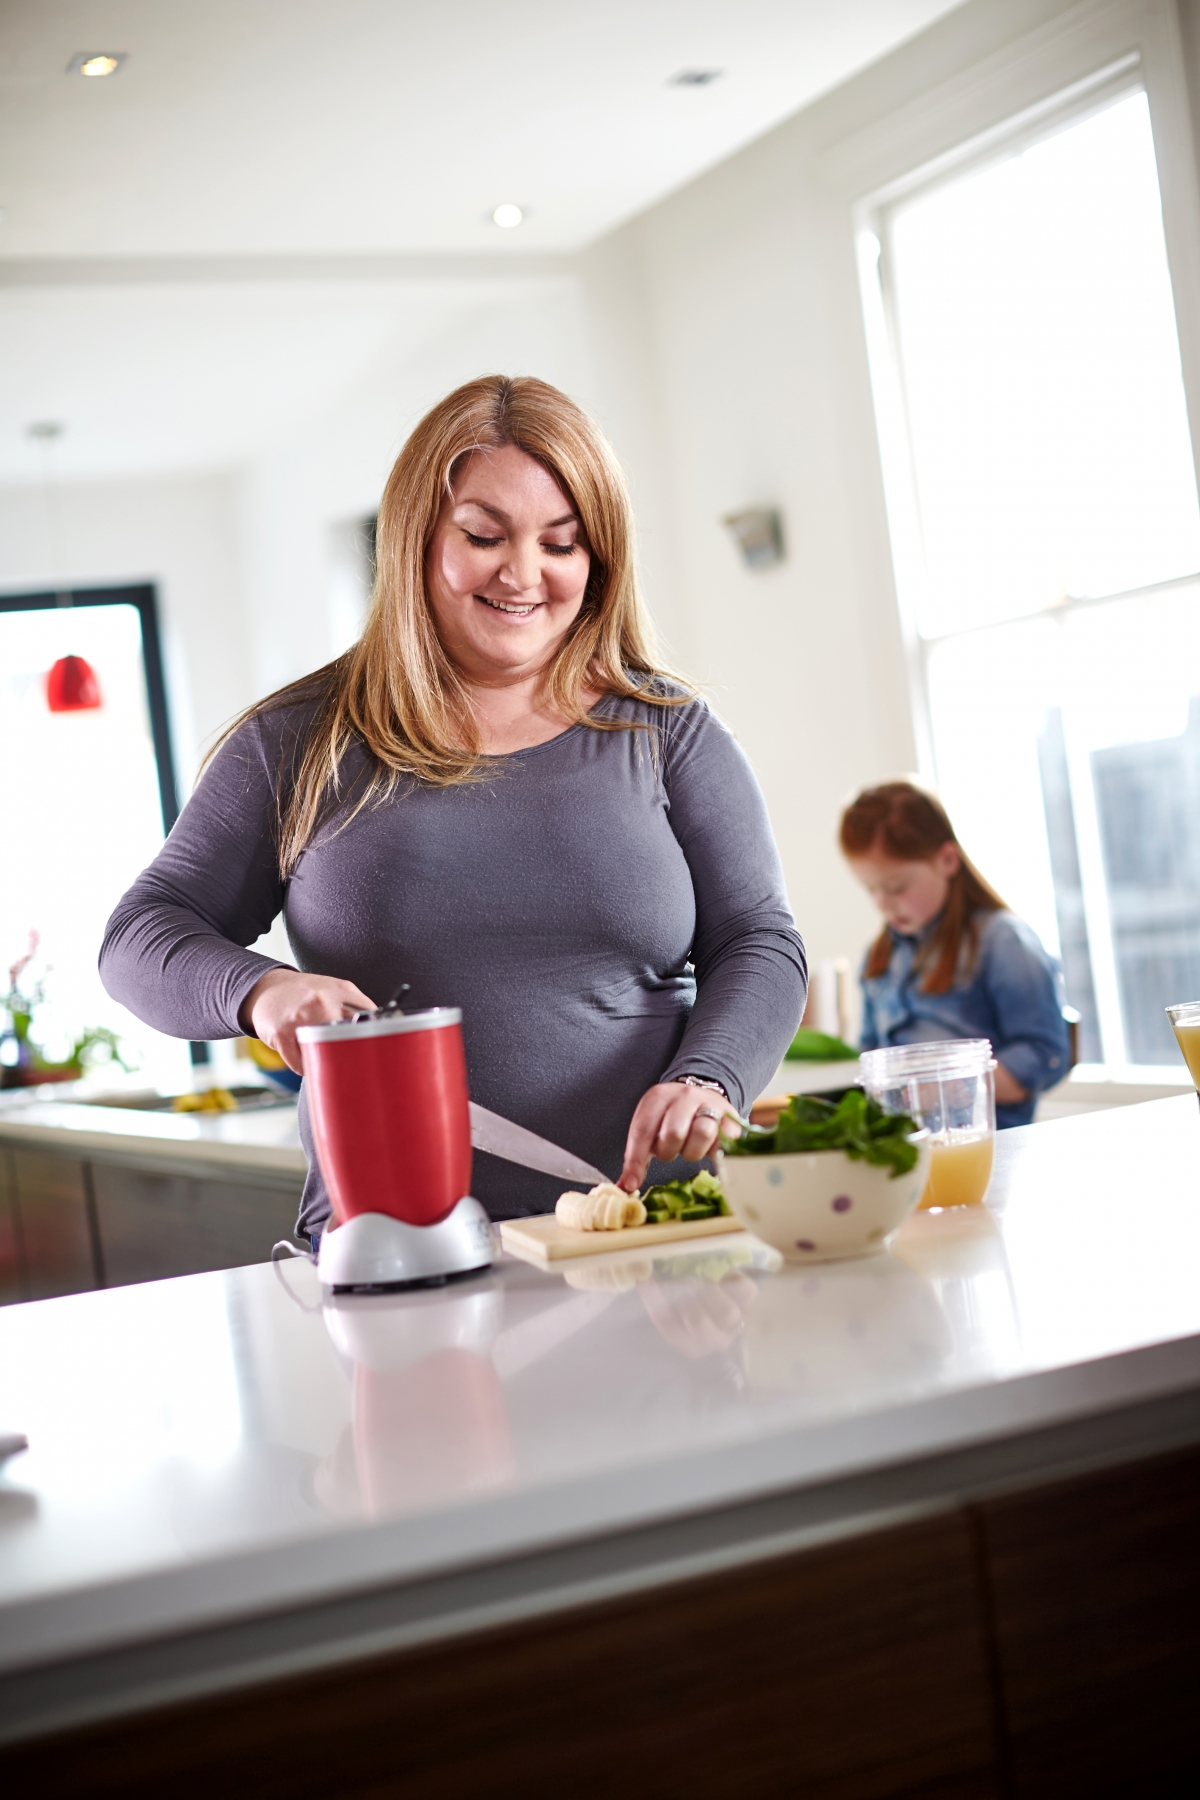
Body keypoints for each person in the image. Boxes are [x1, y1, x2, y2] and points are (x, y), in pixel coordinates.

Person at [100, 376, 807, 1240]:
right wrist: (260, 992)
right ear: (415, 539)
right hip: (399, 1255)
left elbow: (760, 940)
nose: (523, 574)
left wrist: (710, 1078)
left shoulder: (666, 732)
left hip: (657, 1237)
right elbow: (139, 936)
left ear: (600, 559)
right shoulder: (300, 741)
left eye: (562, 543)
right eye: (484, 535)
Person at [838, 781, 1069, 1128]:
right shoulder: (879, 956)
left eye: (896, 887)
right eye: (871, 889)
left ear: (947, 859)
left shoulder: (1002, 942)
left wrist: (950, 1086)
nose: (882, 904)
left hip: (987, 1141)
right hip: (908, 1147)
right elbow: (870, 1054)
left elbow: (1044, 1055)